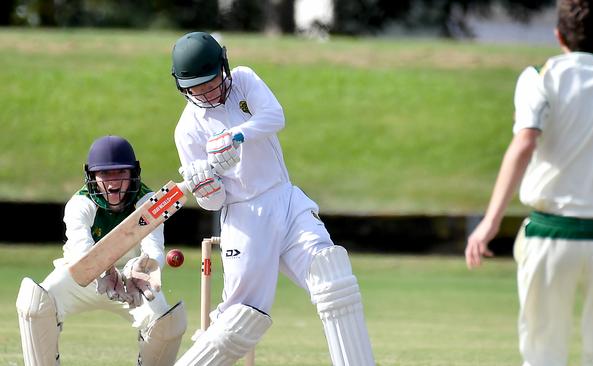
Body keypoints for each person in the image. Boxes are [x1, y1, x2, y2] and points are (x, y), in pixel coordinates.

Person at [170, 31, 375, 365]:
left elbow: (274, 116)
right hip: (243, 218)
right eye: (195, 87)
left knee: (333, 278)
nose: (206, 92)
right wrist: (207, 188)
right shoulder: (187, 130)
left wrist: (235, 136)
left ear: (224, 67)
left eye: (210, 82)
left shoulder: (245, 80)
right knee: (241, 319)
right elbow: (213, 201)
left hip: (285, 198)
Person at [465, 1, 593, 365]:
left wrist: (490, 222)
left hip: (552, 234)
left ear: (558, 35)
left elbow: (525, 141)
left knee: (542, 353)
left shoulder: (540, 76)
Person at [16, 135, 187, 366]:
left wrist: (143, 268)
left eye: (120, 173)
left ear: (133, 173)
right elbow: (81, 252)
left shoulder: (150, 201)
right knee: (34, 303)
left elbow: (154, 248)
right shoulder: (79, 204)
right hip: (80, 277)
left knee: (167, 323)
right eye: (105, 173)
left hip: (131, 283)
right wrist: (104, 272)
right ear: (92, 176)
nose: (112, 181)